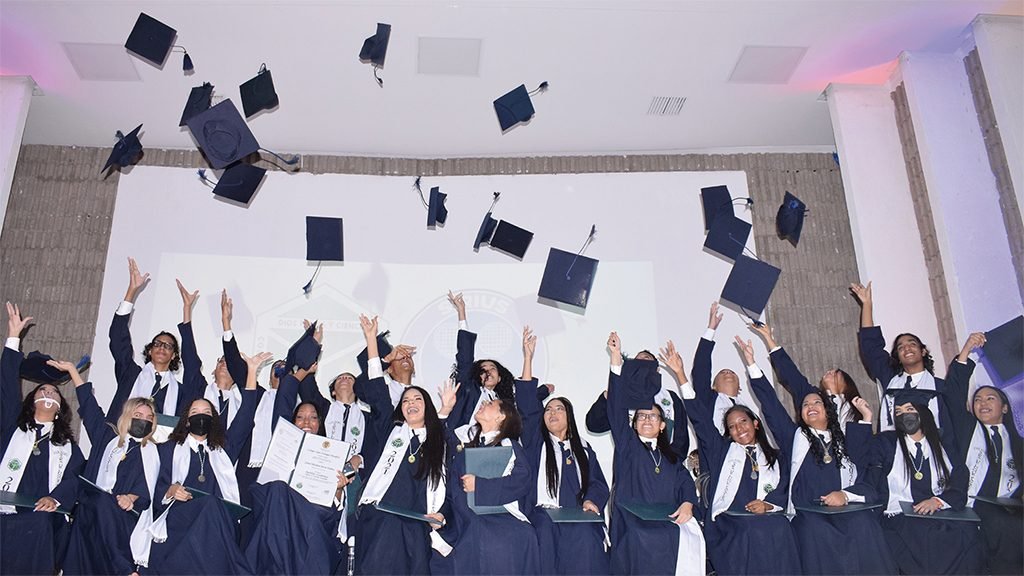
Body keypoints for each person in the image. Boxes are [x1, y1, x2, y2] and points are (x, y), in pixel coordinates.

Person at [746, 325, 897, 574]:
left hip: (846, 510)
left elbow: (864, 473)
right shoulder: (795, 438)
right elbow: (771, 404)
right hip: (809, 515)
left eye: (817, 402)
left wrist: (845, 495)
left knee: (865, 524)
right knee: (813, 532)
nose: (811, 405)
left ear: (829, 411)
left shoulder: (846, 439)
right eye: (806, 404)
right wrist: (752, 365)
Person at [133, 350, 266, 574]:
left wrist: (251, 372)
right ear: (186, 420)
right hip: (178, 518)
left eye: (207, 412)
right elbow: (152, 490)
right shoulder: (166, 450)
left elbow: (245, 415)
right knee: (211, 506)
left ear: (213, 420)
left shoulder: (224, 451)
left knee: (213, 507)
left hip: (216, 524)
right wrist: (170, 490)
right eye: (195, 411)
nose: (201, 415)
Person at [680, 330, 799, 576]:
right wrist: (680, 376)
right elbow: (700, 420)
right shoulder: (721, 450)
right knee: (751, 532)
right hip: (730, 520)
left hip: (766, 516)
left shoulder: (774, 457)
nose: (738, 429)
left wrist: (769, 504)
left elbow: (784, 485)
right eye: (732, 427)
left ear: (755, 423)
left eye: (743, 422)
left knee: (781, 528)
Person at [430, 325, 540, 575]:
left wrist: (481, 486)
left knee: (501, 539)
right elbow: (437, 444)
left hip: (502, 518)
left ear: (503, 416)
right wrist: (445, 409)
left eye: (491, 404)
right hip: (463, 520)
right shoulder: (464, 443)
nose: (485, 405)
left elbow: (522, 480)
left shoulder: (509, 446)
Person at [355, 314, 453, 574]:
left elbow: (448, 487)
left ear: (428, 407)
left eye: (418, 399)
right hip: (381, 516)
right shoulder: (391, 432)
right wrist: (371, 342)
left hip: (416, 522)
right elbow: (376, 389)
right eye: (406, 400)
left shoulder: (440, 443)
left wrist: (442, 513)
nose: (411, 402)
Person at [244, 354, 357, 575]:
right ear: (292, 422)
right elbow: (282, 406)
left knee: (305, 522)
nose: (306, 422)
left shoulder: (331, 452)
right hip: (282, 515)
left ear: (320, 423)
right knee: (275, 491)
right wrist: (297, 376)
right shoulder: (283, 444)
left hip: (313, 516)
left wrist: (339, 489)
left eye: (313, 417)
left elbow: (333, 506)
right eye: (300, 417)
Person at [606, 332, 704, 576]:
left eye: (652, 416)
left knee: (684, 537)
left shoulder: (670, 456)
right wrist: (616, 360)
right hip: (633, 523)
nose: (646, 419)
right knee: (645, 538)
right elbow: (616, 407)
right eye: (641, 416)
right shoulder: (627, 445)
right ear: (634, 423)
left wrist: (688, 503)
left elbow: (685, 484)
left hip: (667, 520)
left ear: (662, 424)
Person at [0, 303, 85, 575]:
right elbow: (6, 385)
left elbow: (74, 480)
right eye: (42, 390)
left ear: (60, 407)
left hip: (40, 519)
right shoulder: (11, 429)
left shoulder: (69, 448)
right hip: (4, 511)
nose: (48, 393)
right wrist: (13, 338)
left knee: (40, 525)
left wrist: (56, 499)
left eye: (54, 392)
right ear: (32, 400)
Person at [863, 387, 984, 574]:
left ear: (923, 413)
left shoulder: (942, 442)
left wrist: (938, 501)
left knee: (967, 531)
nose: (904, 415)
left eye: (910, 409)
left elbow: (960, 474)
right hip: (899, 515)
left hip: (938, 510)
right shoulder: (885, 443)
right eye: (898, 412)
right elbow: (867, 469)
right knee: (928, 535)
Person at [58, 356, 158, 576]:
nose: (144, 420)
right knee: (99, 502)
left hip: (124, 518)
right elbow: (89, 406)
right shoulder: (106, 437)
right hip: (91, 508)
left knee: (105, 506)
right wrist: (73, 372)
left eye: (149, 417)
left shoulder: (153, 453)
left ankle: (125, 570)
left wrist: (131, 497)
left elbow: (148, 490)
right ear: (127, 416)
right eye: (138, 415)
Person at [943, 332, 1023, 575]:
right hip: (973, 502)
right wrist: (967, 349)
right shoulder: (967, 429)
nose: (982, 402)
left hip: (1010, 505)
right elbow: (954, 394)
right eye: (977, 399)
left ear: (1005, 407)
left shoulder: (1019, 443)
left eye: (990, 398)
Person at [851, 281, 956, 438]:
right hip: (894, 450)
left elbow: (952, 428)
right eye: (900, 347)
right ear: (898, 358)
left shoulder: (941, 388)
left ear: (923, 351)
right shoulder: (891, 378)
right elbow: (871, 347)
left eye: (912, 344)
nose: (906, 348)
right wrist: (867, 304)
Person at [107, 258, 202, 422]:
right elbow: (117, 338)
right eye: (157, 344)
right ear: (150, 350)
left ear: (174, 355)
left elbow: (192, 366)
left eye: (168, 346)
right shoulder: (131, 374)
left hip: (158, 446)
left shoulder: (179, 391)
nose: (162, 347)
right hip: (120, 440)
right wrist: (131, 292)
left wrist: (187, 310)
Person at [447, 292, 551, 428]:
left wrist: (543, 390)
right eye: (483, 369)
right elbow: (465, 355)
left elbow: (525, 403)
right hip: (463, 445)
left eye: (492, 368)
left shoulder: (502, 403)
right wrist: (461, 312)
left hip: (493, 446)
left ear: (500, 378)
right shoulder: (468, 388)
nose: (488, 371)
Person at [752, 322, 865, 424]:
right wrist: (768, 338)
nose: (829, 372)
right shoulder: (810, 395)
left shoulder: (855, 409)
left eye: (836, 373)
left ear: (847, 385)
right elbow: (791, 374)